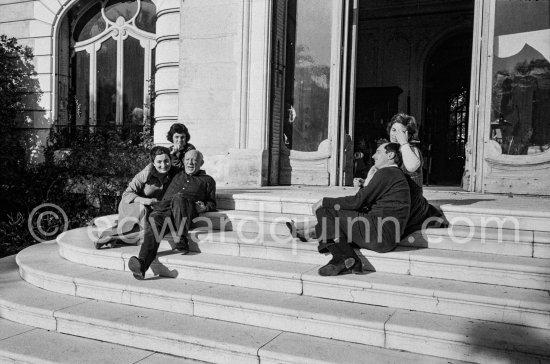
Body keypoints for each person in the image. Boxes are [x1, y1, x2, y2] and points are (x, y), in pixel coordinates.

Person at [308, 143, 410, 276]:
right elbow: (365, 202)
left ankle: (351, 259)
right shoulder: (394, 174)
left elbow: (357, 202)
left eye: (378, 152)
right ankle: (340, 259)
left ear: (391, 155)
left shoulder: (387, 172)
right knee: (324, 224)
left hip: (379, 232)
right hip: (383, 234)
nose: (373, 156)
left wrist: (324, 201)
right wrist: (368, 180)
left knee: (325, 211)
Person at [128, 149, 216, 280]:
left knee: (179, 198)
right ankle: (142, 264)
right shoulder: (176, 173)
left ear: (201, 163)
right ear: (183, 162)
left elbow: (212, 203)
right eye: (187, 160)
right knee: (153, 219)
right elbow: (161, 162)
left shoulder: (208, 181)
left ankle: (181, 238)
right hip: (164, 211)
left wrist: (204, 207)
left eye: (194, 160)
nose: (190, 163)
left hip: (185, 210)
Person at [94, 146, 175, 249]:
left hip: (150, 209)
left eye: (166, 161)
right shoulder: (145, 174)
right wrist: (147, 201)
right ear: (153, 163)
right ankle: (112, 237)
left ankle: (111, 238)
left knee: (147, 233)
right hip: (132, 204)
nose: (163, 165)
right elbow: (126, 194)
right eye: (159, 162)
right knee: (146, 234)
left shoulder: (173, 174)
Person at [358, 113, 423, 189]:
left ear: (408, 135)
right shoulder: (390, 150)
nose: (395, 135)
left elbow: (412, 167)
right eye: (394, 130)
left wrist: (404, 143)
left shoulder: (412, 150)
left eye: (401, 132)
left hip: (410, 198)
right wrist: (367, 181)